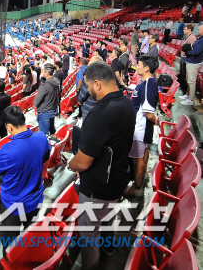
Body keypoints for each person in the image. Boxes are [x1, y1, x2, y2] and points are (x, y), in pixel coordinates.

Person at [68, 61, 136, 269]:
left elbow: (82, 161)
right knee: (106, 219)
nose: (88, 91)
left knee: (89, 236)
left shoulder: (100, 114)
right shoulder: (126, 103)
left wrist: (71, 164)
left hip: (97, 188)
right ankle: (108, 248)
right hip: (117, 179)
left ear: (97, 84)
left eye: (89, 86)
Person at [0, 106, 50, 239]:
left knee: (10, 244)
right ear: (24, 119)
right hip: (36, 199)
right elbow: (46, 157)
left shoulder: (6, 150)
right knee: (30, 236)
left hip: (13, 205)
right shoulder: (41, 137)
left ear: (9, 127)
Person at [124, 55, 160, 197]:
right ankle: (139, 180)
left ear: (146, 68)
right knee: (142, 153)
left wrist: (155, 120)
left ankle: (137, 187)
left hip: (140, 128)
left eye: (138, 64)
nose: (136, 66)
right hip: (141, 126)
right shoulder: (146, 83)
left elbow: (148, 111)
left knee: (137, 159)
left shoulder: (148, 85)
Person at [34, 63, 60, 138]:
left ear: (47, 73)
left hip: (45, 112)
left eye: (43, 71)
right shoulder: (56, 81)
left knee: (43, 135)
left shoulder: (44, 86)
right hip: (53, 109)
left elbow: (36, 102)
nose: (41, 72)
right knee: (52, 130)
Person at [181, 24, 203, 106]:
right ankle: (187, 95)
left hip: (194, 62)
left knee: (191, 81)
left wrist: (187, 53)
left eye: (199, 29)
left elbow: (197, 52)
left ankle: (191, 99)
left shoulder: (202, 40)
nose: (197, 31)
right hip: (190, 61)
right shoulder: (200, 38)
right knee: (188, 80)